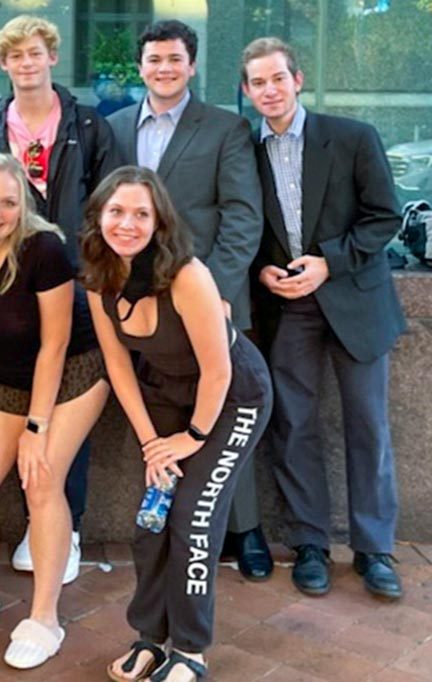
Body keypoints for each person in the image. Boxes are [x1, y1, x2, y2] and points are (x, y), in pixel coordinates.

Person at [81, 166, 272, 682]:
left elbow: (219, 370)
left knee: (194, 521)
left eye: (141, 213)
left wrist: (190, 440)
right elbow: (119, 367)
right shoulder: (101, 277)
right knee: (152, 521)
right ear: (99, 216)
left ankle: (191, 650)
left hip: (231, 400)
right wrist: (150, 443)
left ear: (159, 221)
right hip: (166, 397)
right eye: (116, 211)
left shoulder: (187, 275)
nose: (127, 223)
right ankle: (150, 637)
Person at [106, 20, 271, 581]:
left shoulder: (226, 127)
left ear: (192, 65)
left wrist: (215, 293)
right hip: (139, 306)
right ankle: (174, 528)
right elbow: (109, 212)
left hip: (207, 301)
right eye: (154, 60)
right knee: (168, 414)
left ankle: (243, 531)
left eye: (175, 59)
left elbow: (242, 217)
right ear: (141, 66)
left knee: (222, 406)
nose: (164, 68)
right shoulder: (117, 127)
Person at [0, 153, 110, 669]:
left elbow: (53, 346)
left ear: (22, 207)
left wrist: (37, 427)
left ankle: (44, 617)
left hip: (72, 371)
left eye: (9, 202)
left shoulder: (43, 249)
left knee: (42, 477)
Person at [242, 37, 404, 600]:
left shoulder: (353, 138)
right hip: (286, 307)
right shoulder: (244, 149)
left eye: (277, 79)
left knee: (368, 427)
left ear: (298, 79)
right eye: (258, 82)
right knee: (294, 426)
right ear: (246, 90)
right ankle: (310, 542)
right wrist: (262, 269)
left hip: (354, 299)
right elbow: (244, 225)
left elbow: (385, 217)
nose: (269, 90)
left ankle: (374, 549)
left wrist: (328, 263)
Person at [0, 14, 119, 584]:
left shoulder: (86, 123)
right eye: (15, 57)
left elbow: (109, 198)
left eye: (35, 54)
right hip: (10, 284)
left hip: (73, 283)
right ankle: (36, 516)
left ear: (51, 57)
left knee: (64, 403)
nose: (25, 65)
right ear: (4, 65)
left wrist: (94, 273)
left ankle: (63, 526)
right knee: (19, 398)